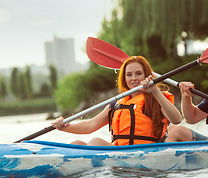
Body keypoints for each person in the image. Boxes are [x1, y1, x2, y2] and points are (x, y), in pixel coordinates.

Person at [51, 56, 182, 146]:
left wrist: (155, 91)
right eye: (129, 74)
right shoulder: (116, 104)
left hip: (145, 150)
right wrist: (64, 128)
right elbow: (90, 125)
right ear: (124, 79)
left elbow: (176, 119)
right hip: (120, 151)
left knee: (95, 142)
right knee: (77, 144)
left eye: (138, 73)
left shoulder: (156, 98)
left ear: (146, 75)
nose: (133, 78)